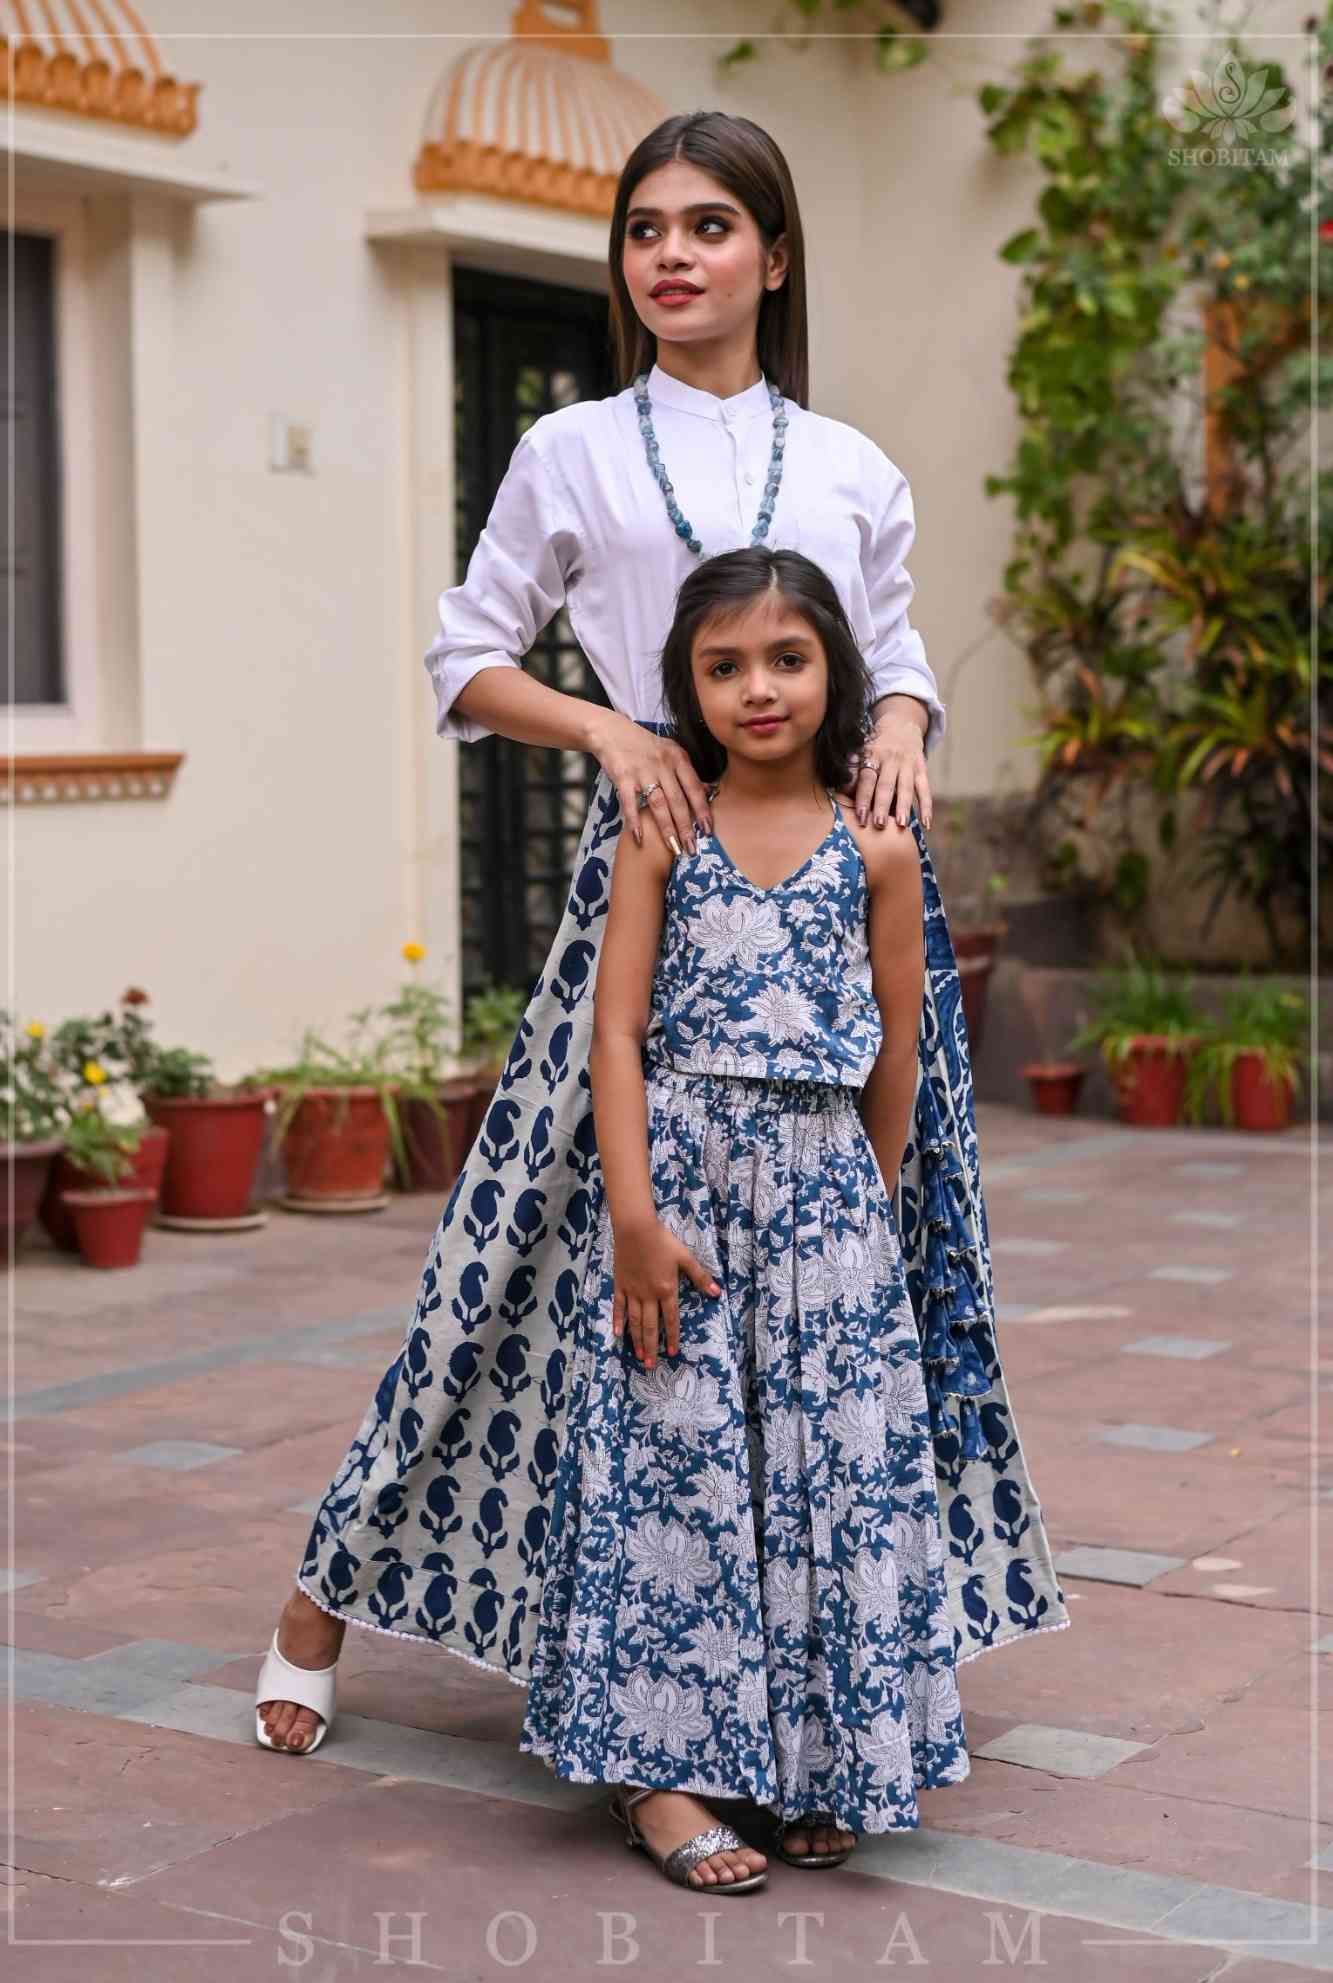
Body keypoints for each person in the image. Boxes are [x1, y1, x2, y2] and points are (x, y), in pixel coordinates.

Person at [255, 111, 1069, 1858]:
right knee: (496, 1281)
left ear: (774, 255)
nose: (672, 257)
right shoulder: (568, 448)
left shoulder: (851, 463)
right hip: (645, 915)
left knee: (853, 1313)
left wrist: (907, 726)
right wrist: (611, 727)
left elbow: (893, 646)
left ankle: (812, 1685)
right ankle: (323, 1598)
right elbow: (467, 655)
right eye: (644, 231)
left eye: (709, 227)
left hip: (836, 923)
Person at [516, 545, 970, 1892]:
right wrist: (635, 1218)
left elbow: (898, 1042)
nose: (756, 689)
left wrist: (865, 1214)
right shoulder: (663, 828)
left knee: (821, 1470)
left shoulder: (876, 840)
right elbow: (613, 1031)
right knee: (675, 1464)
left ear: (833, 673)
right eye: (723, 666)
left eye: (785, 660)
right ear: (686, 685)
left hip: (827, 1196)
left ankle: (811, 1762)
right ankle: (658, 1782)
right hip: (684, 1190)